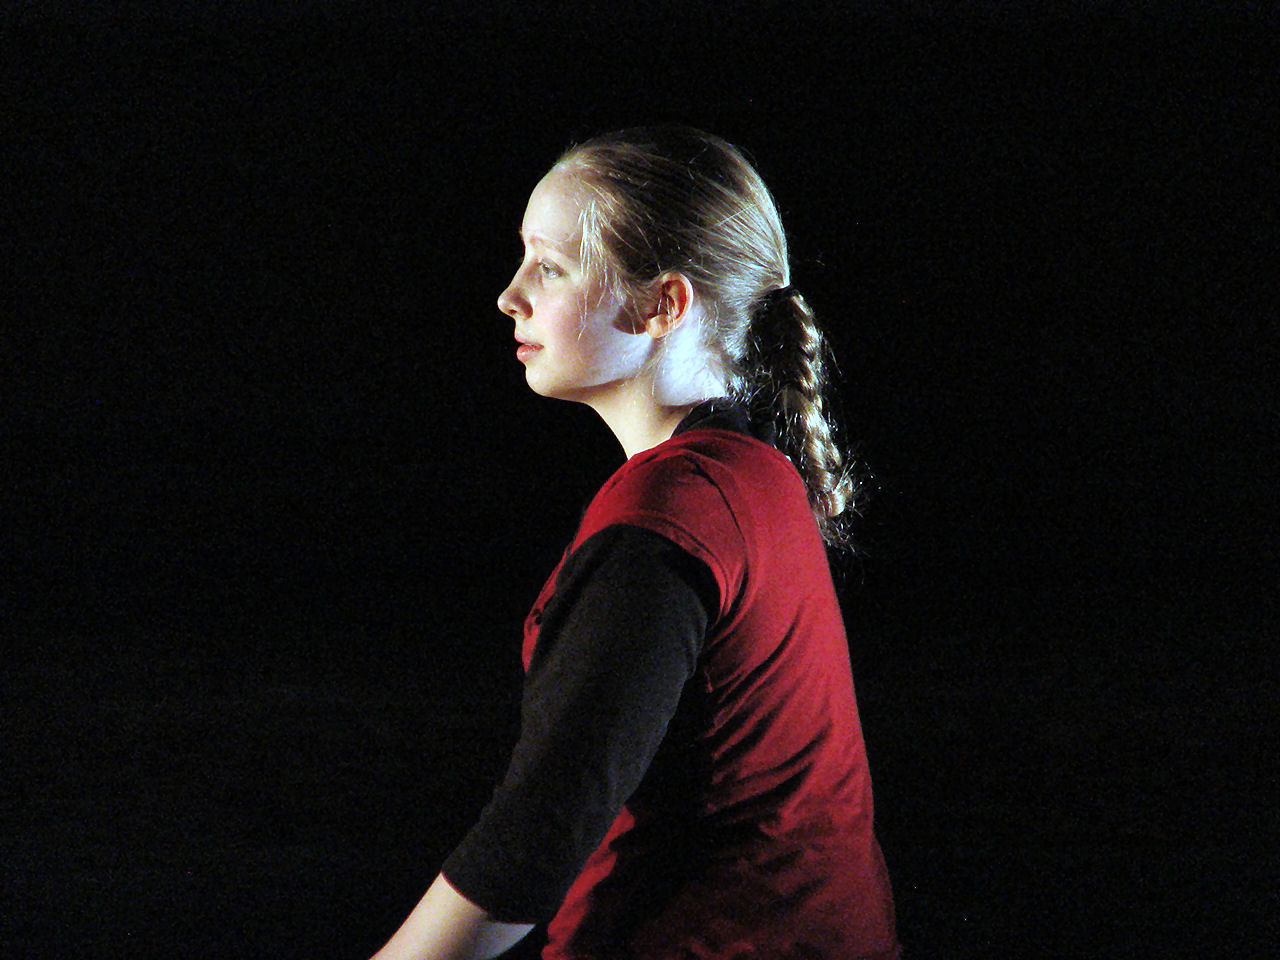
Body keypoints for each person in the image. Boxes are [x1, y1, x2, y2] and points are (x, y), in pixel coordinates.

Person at [371, 127, 900, 960]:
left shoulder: (669, 518)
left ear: (663, 305)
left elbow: (537, 837)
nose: (510, 295)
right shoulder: (758, 478)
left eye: (550, 267)